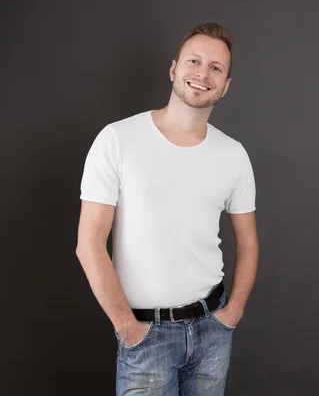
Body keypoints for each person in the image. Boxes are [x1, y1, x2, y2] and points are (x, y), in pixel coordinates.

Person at [75, 22, 259, 396]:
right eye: (194, 60)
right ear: (174, 68)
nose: (202, 74)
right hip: (145, 335)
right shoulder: (118, 139)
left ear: (225, 86)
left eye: (215, 68)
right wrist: (126, 326)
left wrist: (234, 310)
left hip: (212, 329)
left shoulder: (233, 154)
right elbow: (89, 244)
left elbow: (249, 241)